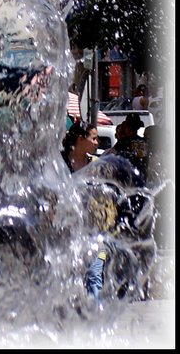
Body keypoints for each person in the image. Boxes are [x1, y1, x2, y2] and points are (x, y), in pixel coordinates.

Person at [62, 121, 108, 301]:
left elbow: (105, 196)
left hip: (93, 231)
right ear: (81, 139)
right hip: (66, 231)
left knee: (94, 276)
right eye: (94, 138)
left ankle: (94, 321)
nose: (97, 143)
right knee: (67, 279)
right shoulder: (60, 163)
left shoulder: (96, 165)